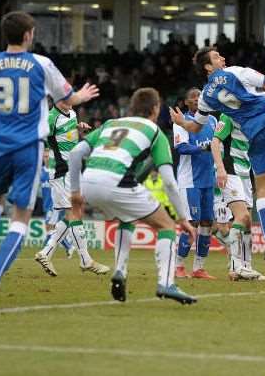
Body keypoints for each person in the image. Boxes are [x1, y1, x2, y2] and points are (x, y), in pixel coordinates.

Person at [0, 13, 99, 310]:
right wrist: (81, 95)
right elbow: (67, 97)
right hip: (28, 147)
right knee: (21, 216)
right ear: (29, 35)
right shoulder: (41, 64)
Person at [170, 47, 265, 268]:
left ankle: (247, 261)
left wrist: (181, 122)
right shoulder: (235, 73)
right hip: (251, 144)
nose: (222, 57)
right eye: (216, 56)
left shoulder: (208, 98)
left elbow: (194, 126)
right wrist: (221, 169)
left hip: (252, 146)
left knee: (251, 206)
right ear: (207, 66)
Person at [68, 87, 197, 304]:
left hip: (88, 181)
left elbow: (75, 153)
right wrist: (183, 218)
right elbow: (169, 182)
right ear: (155, 109)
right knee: (166, 226)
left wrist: (75, 193)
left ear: (132, 107)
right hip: (116, 181)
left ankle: (119, 271)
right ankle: (166, 283)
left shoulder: (111, 123)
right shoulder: (155, 132)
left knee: (126, 218)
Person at [34, 102, 107, 277]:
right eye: (65, 99)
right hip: (60, 170)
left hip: (73, 169)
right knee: (74, 212)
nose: (69, 102)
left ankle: (46, 253)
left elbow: (67, 134)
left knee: (74, 211)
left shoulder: (72, 114)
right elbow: (39, 136)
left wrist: (79, 129)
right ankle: (85, 259)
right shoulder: (51, 118)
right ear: (57, 100)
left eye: (71, 98)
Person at [211, 112, 265, 281]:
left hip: (245, 172)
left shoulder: (252, 116)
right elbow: (215, 142)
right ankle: (236, 266)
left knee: (248, 222)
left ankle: (247, 267)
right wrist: (220, 168)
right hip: (230, 170)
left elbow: (254, 146)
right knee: (241, 216)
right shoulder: (228, 115)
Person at [173, 87, 217, 280]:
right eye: (193, 96)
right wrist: (205, 148)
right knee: (192, 223)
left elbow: (218, 145)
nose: (198, 99)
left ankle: (199, 268)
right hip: (190, 180)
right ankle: (178, 266)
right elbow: (181, 147)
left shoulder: (213, 120)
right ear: (187, 102)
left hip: (209, 179)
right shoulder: (181, 121)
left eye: (200, 95)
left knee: (207, 223)